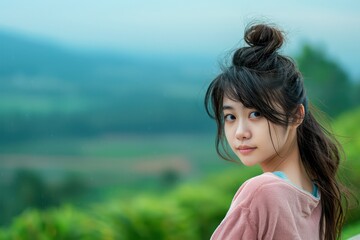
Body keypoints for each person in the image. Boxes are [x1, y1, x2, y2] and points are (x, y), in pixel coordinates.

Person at [204, 23, 348, 240]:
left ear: (296, 115)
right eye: (231, 117)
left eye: (256, 114)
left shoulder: (262, 191)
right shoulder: (318, 196)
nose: (240, 132)